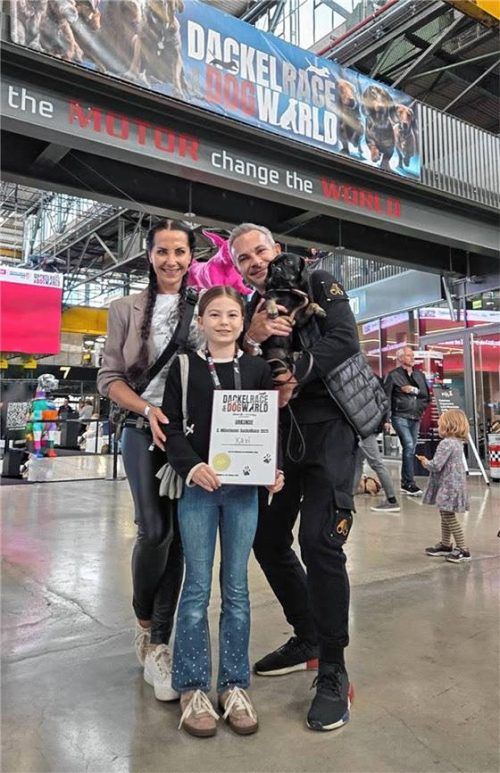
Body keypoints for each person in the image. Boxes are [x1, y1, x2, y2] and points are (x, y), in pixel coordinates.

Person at [229, 223, 359, 732]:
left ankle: (333, 667)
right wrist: (253, 337)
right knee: (266, 538)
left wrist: (296, 367)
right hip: (278, 434)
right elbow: (233, 366)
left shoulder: (320, 280)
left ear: (276, 249)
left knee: (320, 542)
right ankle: (307, 634)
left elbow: (347, 339)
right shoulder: (247, 310)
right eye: (243, 259)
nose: (254, 261)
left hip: (330, 428)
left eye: (260, 251)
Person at [162, 286, 284, 738]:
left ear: (242, 320)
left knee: (236, 588)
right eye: (214, 314)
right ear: (201, 321)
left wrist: (272, 468)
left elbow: (266, 425)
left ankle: (234, 684)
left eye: (233, 314)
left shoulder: (255, 369)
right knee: (195, 587)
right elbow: (172, 428)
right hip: (199, 489)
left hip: (243, 493)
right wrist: (191, 465)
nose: (224, 322)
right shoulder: (185, 367)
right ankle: (192, 687)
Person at [97, 219, 200, 702]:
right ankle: (143, 617)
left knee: (179, 538)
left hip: (188, 435)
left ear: (191, 256)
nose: (172, 261)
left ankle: (160, 644)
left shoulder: (201, 308)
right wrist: (148, 408)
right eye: (163, 251)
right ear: (150, 255)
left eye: (180, 251)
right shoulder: (124, 308)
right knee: (154, 529)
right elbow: (110, 378)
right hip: (141, 428)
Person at [418, 409, 471, 563]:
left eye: (440, 424)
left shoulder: (446, 443)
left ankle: (463, 549)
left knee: (448, 516)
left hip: (448, 486)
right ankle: (446, 544)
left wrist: (424, 462)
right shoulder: (457, 443)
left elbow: (436, 465)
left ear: (448, 426)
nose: (438, 427)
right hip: (455, 485)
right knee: (445, 514)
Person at [384, 346, 430, 496]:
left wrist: (413, 390)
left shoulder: (419, 375)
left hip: (415, 417)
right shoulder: (393, 375)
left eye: (412, 355)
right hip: (400, 416)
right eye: (408, 355)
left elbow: (425, 396)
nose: (412, 357)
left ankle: (406, 482)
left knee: (410, 449)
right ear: (400, 358)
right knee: (409, 446)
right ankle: (409, 483)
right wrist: (386, 419)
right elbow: (386, 398)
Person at [354, 432, 400, 512]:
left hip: (364, 432)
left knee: (377, 464)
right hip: (362, 432)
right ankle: (349, 497)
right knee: (357, 463)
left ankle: (392, 500)